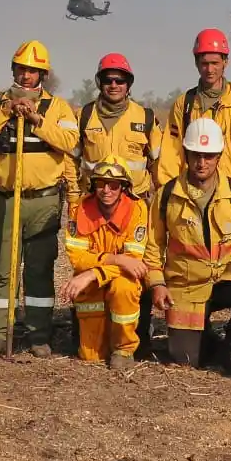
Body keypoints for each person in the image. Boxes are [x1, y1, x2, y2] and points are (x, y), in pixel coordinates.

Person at [144, 118, 231, 377]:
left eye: (208, 156)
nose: (202, 163)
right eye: (196, 155)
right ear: (185, 154)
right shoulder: (167, 196)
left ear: (219, 156)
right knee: (187, 359)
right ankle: (210, 339)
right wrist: (157, 284)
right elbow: (152, 246)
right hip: (186, 285)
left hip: (228, 278)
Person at [0, 39, 80, 357]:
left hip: (43, 201)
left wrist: (36, 121)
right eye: (21, 69)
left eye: (33, 71)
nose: (26, 76)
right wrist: (7, 111)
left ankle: (39, 335)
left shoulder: (58, 107)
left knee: (39, 270)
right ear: (13, 70)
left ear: (43, 74)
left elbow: (69, 141)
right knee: (3, 271)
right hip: (5, 199)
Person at [71, 52, 162, 356]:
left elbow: (159, 164)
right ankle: (87, 333)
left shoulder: (145, 118)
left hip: (135, 206)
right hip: (95, 205)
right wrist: (74, 197)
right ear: (100, 82)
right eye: (108, 80)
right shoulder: (84, 115)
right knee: (93, 265)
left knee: (136, 272)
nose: (114, 85)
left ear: (128, 84)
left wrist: (158, 204)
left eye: (120, 80)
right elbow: (71, 160)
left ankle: (138, 337)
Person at [156, 29, 231, 198]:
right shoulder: (184, 105)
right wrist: (169, 199)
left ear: (225, 62)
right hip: (193, 198)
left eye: (215, 63)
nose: (209, 69)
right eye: (204, 63)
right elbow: (170, 160)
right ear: (196, 63)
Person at [63, 155, 148, 370]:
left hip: (116, 277)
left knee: (124, 287)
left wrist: (92, 273)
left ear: (124, 188)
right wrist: (117, 259)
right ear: (93, 186)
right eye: (101, 184)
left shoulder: (138, 210)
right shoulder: (79, 209)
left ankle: (124, 349)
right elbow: (77, 258)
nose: (106, 190)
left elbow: (134, 263)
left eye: (114, 185)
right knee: (90, 356)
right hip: (92, 281)